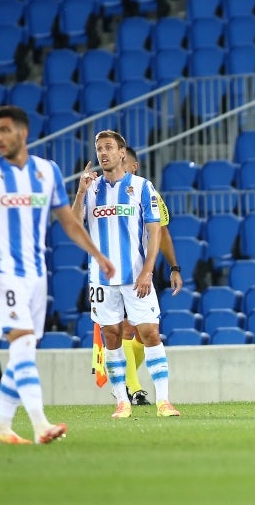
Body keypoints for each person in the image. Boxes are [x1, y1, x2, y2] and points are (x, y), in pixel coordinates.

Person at [0, 105, 116, 445]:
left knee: (23, 352)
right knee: (24, 342)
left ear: (23, 133)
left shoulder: (47, 171)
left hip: (37, 275)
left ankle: (1, 428)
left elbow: (69, 222)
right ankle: (41, 424)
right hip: (2, 274)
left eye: (5, 130)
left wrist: (98, 254)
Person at [72, 130, 180, 418]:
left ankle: (164, 401)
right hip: (101, 279)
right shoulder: (91, 189)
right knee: (111, 336)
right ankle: (122, 401)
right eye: (99, 148)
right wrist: (80, 192)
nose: (103, 153)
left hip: (135, 276)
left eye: (108, 147)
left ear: (122, 153)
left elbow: (156, 231)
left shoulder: (142, 187)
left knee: (150, 333)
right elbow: (74, 227)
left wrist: (148, 271)